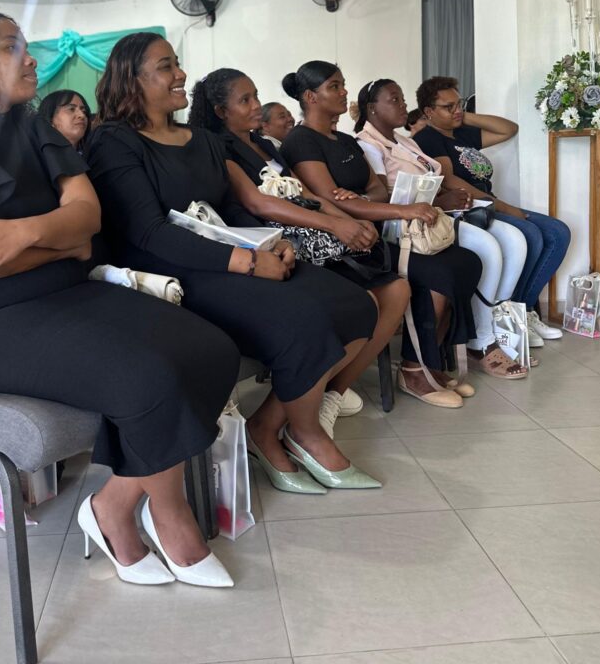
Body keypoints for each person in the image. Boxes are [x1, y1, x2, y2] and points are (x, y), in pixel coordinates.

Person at [0, 9, 239, 588]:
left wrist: (24, 232)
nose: (32, 57)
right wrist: (64, 243)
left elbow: (88, 218)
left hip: (67, 291)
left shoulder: (29, 124)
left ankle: (112, 505)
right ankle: (170, 516)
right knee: (145, 376)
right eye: (11, 45)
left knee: (212, 348)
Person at [87, 32, 393, 494]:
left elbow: (230, 209)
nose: (181, 74)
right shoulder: (114, 141)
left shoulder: (203, 141)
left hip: (231, 254)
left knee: (356, 305)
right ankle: (307, 433)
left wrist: (272, 243)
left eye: (177, 63)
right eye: (166, 66)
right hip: (172, 271)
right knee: (303, 318)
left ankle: (268, 426)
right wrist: (246, 263)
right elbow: (148, 232)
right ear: (131, 79)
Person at [186, 67, 411, 434]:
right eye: (246, 100)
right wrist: (335, 225)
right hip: (278, 241)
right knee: (365, 302)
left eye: (256, 96)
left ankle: (333, 392)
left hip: (313, 231)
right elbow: (258, 203)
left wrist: (349, 221)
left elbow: (304, 193)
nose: (256, 105)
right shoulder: (220, 148)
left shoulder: (264, 143)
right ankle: (305, 399)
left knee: (398, 289)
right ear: (221, 111)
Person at [280, 61, 483, 408]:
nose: (344, 92)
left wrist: (358, 198)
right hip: (346, 245)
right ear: (311, 97)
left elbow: (376, 189)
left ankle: (430, 361)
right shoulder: (301, 140)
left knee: (466, 261)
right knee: (437, 274)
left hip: (376, 233)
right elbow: (328, 199)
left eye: (343, 84)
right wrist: (398, 209)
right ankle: (413, 369)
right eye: (334, 86)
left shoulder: (346, 140)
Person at [353, 79, 530, 380]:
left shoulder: (405, 141)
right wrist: (440, 200)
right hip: (406, 228)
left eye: (402, 98)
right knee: (488, 249)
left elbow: (434, 178)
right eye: (394, 100)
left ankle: (497, 326)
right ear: (372, 108)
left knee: (515, 240)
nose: (403, 105)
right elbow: (382, 196)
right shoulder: (368, 144)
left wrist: (450, 197)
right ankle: (482, 340)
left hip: (437, 215)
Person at [414, 76, 568, 345]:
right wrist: (504, 207)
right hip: (471, 207)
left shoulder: (461, 133)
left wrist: (463, 115)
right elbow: (449, 180)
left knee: (558, 232)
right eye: (448, 107)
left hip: (490, 202)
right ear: (428, 112)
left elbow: (509, 129)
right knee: (531, 234)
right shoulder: (428, 138)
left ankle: (523, 310)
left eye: (459, 103)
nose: (456, 110)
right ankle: (511, 317)